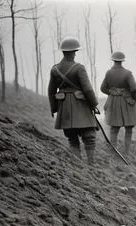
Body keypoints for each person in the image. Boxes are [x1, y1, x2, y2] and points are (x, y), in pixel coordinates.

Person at [48, 36, 99, 165]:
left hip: (64, 108)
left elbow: (51, 91)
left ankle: (78, 165)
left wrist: (54, 109)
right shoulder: (79, 68)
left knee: (72, 137)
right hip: (81, 106)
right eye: (75, 51)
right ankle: (91, 165)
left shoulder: (55, 69)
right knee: (89, 136)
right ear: (72, 52)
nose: (75, 54)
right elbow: (87, 89)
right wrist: (94, 104)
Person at [100, 51, 136, 154]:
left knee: (114, 128)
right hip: (126, 101)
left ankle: (113, 151)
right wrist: (133, 98)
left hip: (113, 102)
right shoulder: (127, 73)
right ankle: (126, 151)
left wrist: (112, 93)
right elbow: (135, 88)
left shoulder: (108, 73)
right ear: (122, 61)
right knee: (129, 128)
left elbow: (102, 88)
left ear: (113, 60)